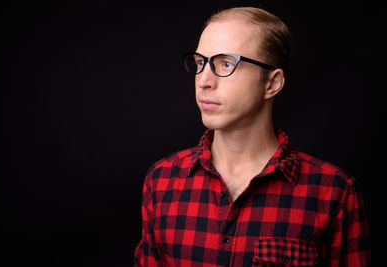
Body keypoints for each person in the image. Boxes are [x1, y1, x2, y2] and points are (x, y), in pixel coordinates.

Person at [133, 7, 371, 266]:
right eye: (201, 62)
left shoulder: (333, 193)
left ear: (272, 83)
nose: (204, 81)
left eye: (225, 63)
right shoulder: (162, 181)